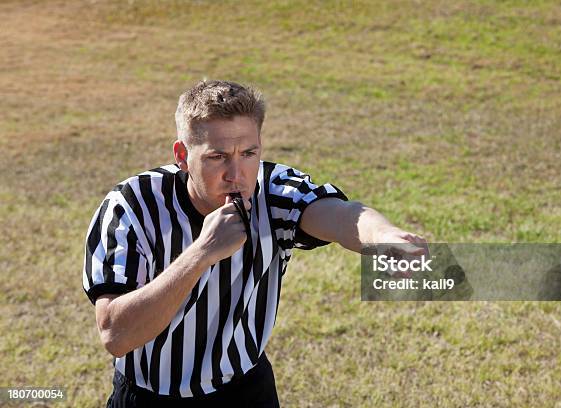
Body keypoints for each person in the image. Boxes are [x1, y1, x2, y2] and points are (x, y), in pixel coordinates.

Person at [83, 79, 426, 407]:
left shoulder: (272, 190)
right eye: (217, 157)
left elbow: (340, 215)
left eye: (248, 153)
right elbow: (116, 335)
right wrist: (201, 253)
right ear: (182, 155)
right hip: (149, 397)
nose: (237, 174)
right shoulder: (132, 206)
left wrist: (383, 237)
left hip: (245, 391)